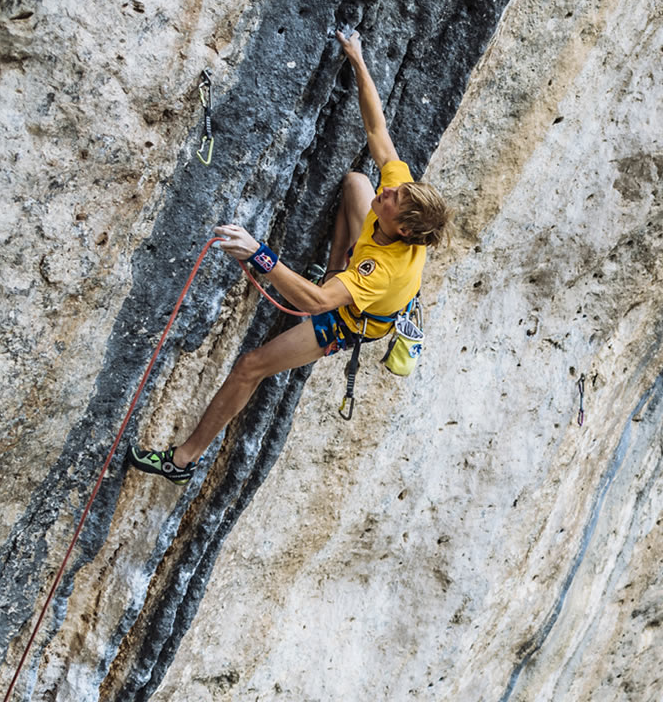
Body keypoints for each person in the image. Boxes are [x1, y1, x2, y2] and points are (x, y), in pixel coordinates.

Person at [128, 29, 452, 484]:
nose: (392, 188)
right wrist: (357, 59)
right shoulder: (398, 209)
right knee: (358, 182)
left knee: (250, 366)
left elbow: (318, 304)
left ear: (404, 228)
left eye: (396, 197)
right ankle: (336, 266)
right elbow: (378, 130)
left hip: (351, 319)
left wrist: (259, 254)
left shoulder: (380, 269)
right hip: (357, 277)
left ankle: (183, 460)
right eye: (397, 188)